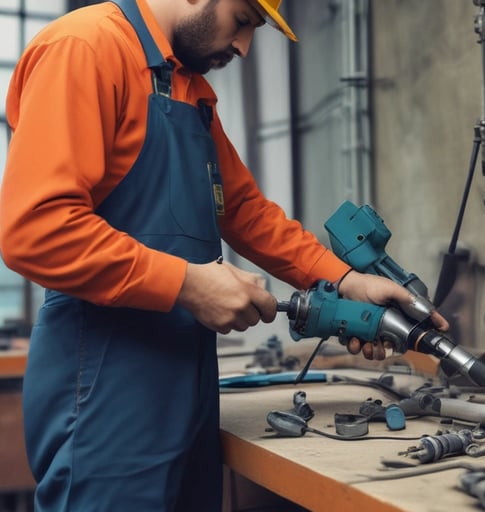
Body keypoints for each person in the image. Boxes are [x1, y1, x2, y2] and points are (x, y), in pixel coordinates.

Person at [0, 0, 447, 510]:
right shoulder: (85, 48)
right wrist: (188, 284)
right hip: (104, 383)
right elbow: (35, 227)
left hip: (185, 381)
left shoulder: (187, 89)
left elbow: (241, 208)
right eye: (243, 21)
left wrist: (346, 280)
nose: (243, 46)